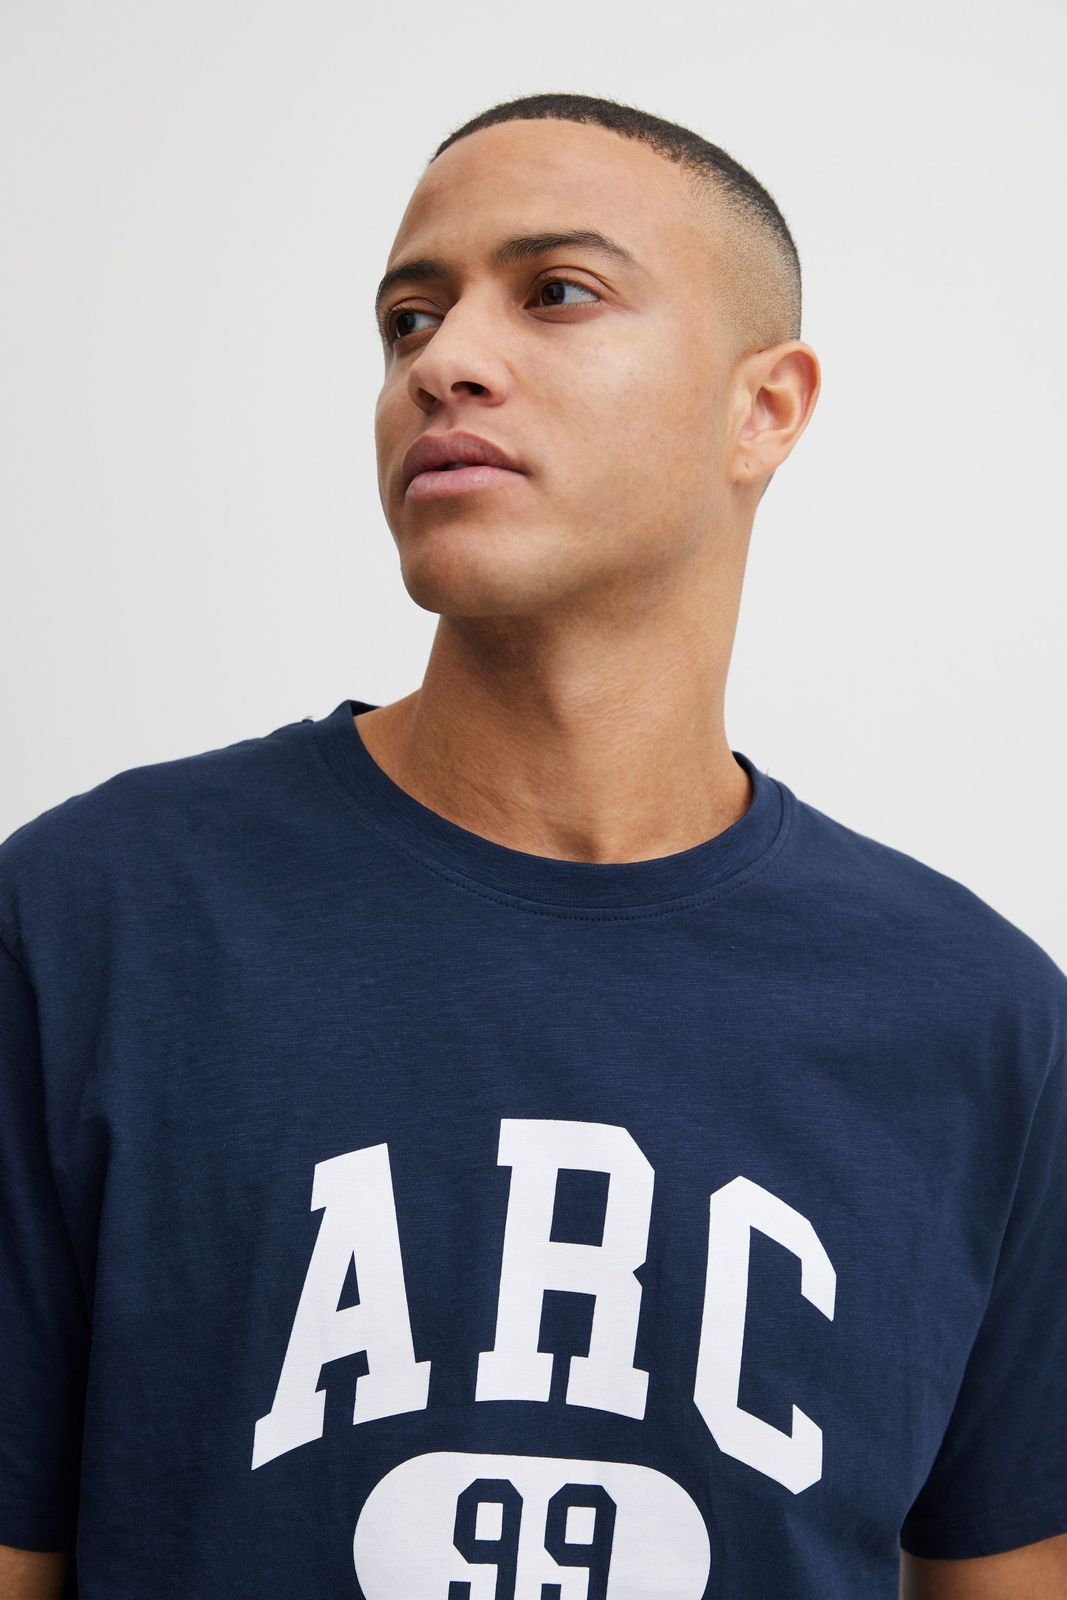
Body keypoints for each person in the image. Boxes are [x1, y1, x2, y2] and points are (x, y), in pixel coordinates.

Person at [1, 91, 1064, 1600]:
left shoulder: (982, 1020)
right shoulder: (92, 923)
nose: (444, 361)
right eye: (408, 318)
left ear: (765, 408)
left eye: (557, 293)